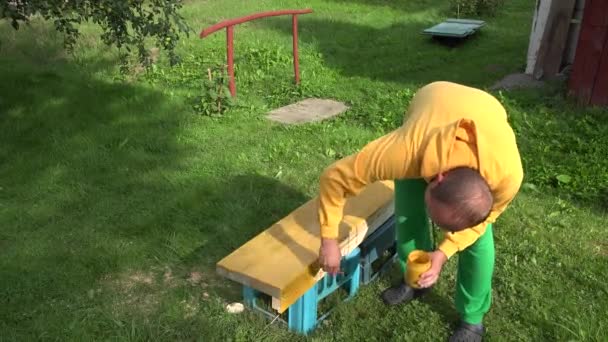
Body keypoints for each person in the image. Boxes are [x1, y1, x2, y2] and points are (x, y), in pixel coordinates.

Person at [316, 81, 523, 342]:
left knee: (479, 241)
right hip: (432, 99)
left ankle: (473, 319)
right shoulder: (404, 153)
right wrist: (328, 239)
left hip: (487, 113)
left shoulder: (507, 178)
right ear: (436, 177)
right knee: (409, 212)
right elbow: (334, 178)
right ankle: (413, 278)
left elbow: (485, 219)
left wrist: (444, 252)